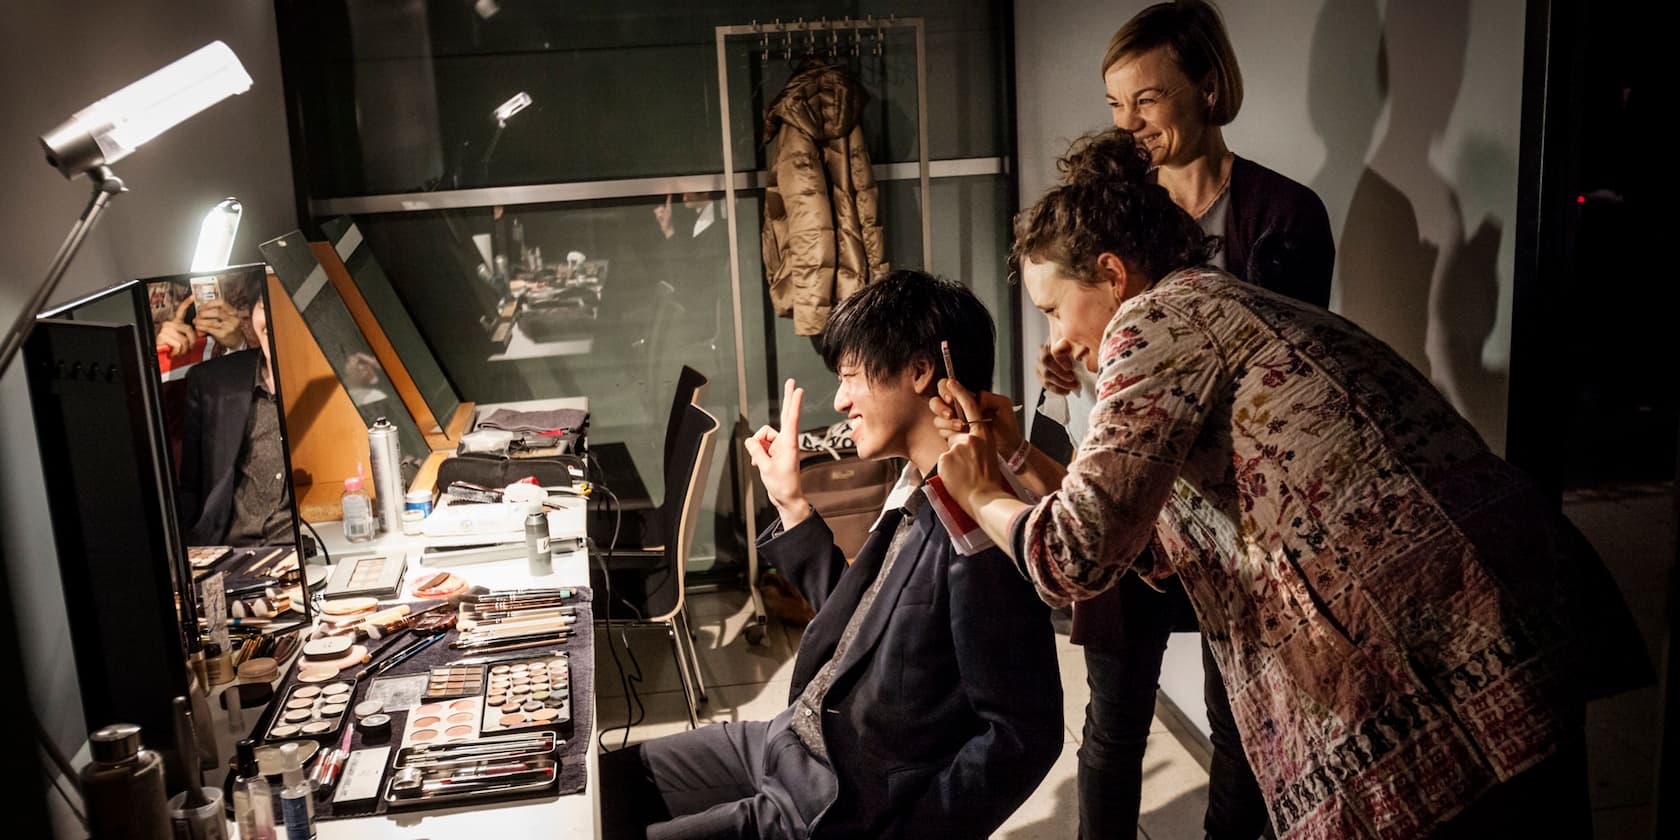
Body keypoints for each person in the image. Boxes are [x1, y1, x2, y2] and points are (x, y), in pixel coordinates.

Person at [934, 128, 1649, 838]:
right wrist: (1018, 458)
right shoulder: (1221, 303)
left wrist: (977, 491)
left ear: (1114, 274)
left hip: (1434, 634)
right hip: (1508, 608)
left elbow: (1077, 554)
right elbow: (1146, 545)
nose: (1058, 340)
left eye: (1055, 309)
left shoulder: (1152, 321)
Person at [599, 270, 1062, 839]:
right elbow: (862, 625)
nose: (840, 400)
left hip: (831, 804)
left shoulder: (981, 524)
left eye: (849, 378)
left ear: (920, 370)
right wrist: (791, 504)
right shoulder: (913, 487)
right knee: (606, 785)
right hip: (785, 740)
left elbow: (1025, 737)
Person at [1034, 3, 1335, 836]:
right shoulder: (1115, 215)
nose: (1131, 127)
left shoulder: (1286, 215)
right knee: (1114, 715)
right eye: (1116, 107)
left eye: (1149, 101)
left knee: (1238, 719)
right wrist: (1076, 358)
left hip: (1235, 511)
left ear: (1207, 87)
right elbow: (1112, 340)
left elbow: (1277, 379)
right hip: (1137, 497)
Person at [179, 297, 294, 547]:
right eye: (264, 306)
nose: (271, 319)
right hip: (231, 556)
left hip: (305, 552)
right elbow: (190, 487)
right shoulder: (211, 382)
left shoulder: (331, 389)